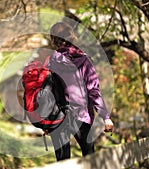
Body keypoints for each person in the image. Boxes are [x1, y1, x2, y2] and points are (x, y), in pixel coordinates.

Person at [46, 22, 114, 161]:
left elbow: (50, 92)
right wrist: (105, 117)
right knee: (89, 158)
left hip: (59, 116)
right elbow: (93, 90)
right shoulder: (83, 59)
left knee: (62, 163)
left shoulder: (51, 61)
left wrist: (48, 120)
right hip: (81, 116)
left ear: (54, 40)